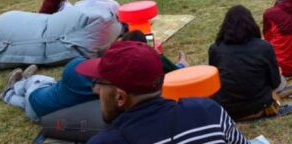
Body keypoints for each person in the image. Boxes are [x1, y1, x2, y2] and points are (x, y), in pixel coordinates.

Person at [77, 40, 249, 144]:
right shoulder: (208, 111)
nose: (96, 90)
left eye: (99, 83)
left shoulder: (105, 141)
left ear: (120, 97)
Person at [209, 5, 282, 120]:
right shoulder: (264, 47)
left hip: (226, 110)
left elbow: (214, 82)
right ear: (251, 24)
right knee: (280, 75)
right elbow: (276, 82)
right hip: (258, 108)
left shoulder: (215, 49)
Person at [0, 58, 96, 121]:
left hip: (36, 94)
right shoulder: (94, 93)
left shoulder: (75, 68)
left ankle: (18, 84)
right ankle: (8, 95)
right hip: (41, 117)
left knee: (37, 81)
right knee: (26, 103)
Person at [120, 30, 188, 73]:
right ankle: (182, 63)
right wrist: (159, 55)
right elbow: (175, 71)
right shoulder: (155, 59)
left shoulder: (120, 63)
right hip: (162, 85)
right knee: (180, 65)